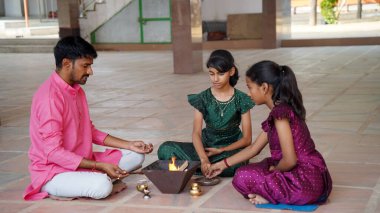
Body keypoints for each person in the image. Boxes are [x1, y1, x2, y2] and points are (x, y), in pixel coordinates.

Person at [24, 36, 153, 201]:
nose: (90, 71)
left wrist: (128, 144)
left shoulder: (76, 90)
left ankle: (88, 179)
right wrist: (98, 166)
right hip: (54, 172)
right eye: (85, 66)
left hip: (83, 162)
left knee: (136, 155)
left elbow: (88, 131)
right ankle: (67, 186)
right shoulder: (50, 98)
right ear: (66, 63)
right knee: (102, 186)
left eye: (90, 66)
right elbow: (53, 153)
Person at [207, 60, 332, 205]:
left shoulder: (280, 114)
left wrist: (275, 170)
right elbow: (254, 148)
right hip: (302, 172)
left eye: (250, 87)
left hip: (306, 178)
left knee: (243, 176)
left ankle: (271, 195)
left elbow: (290, 160)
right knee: (244, 172)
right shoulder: (279, 112)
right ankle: (271, 190)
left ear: (264, 87)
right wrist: (221, 165)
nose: (248, 93)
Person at [157, 49, 255, 177]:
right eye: (211, 73)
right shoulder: (202, 98)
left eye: (220, 74)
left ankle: (193, 167)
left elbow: (247, 139)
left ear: (231, 71)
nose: (215, 79)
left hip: (230, 149)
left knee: (238, 163)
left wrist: (221, 150)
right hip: (206, 148)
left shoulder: (242, 99)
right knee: (165, 149)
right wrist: (203, 159)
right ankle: (208, 166)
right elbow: (196, 133)